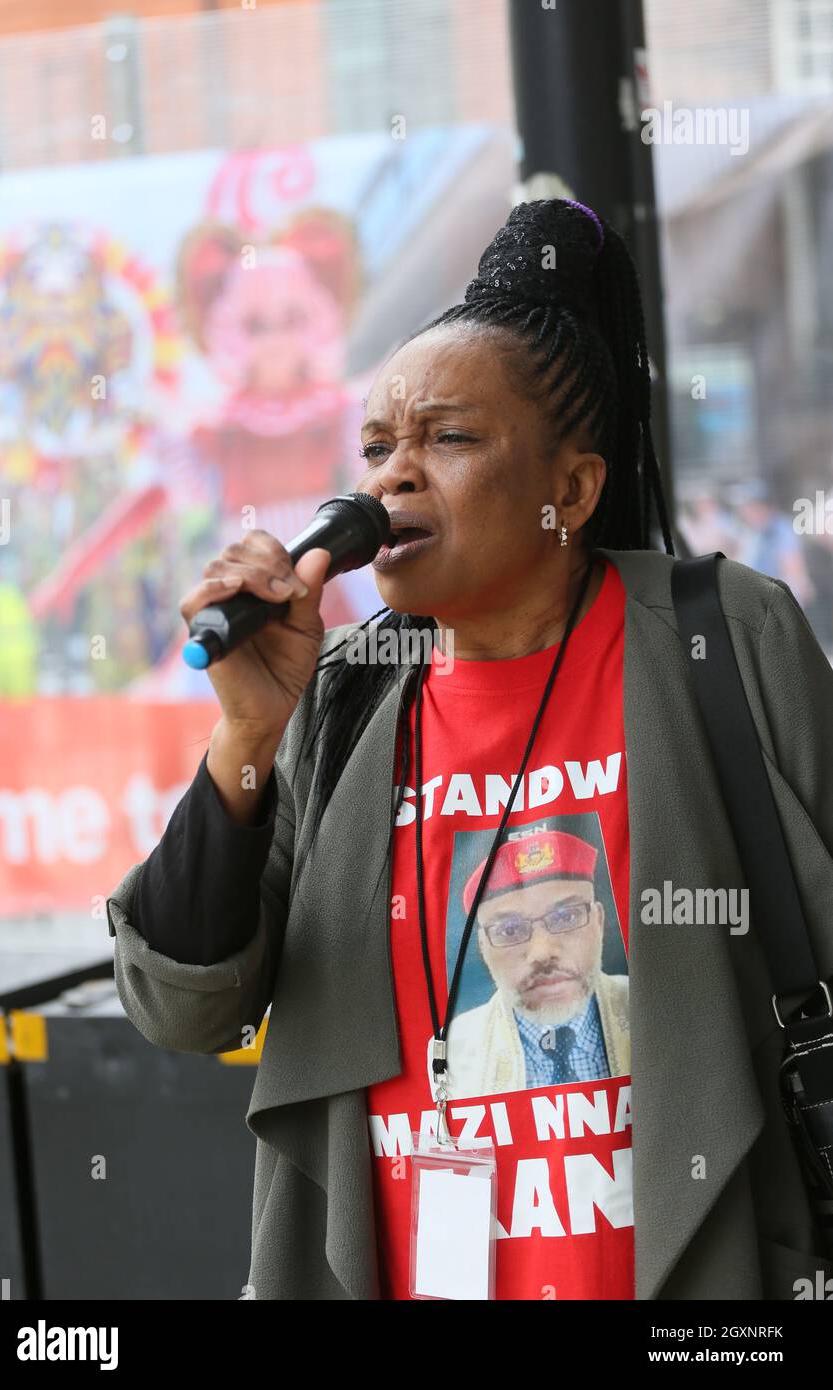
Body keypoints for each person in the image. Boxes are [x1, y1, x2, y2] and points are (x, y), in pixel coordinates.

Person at [106, 198, 833, 1301]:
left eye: (446, 439)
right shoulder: (341, 693)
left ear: (571, 488)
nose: (391, 478)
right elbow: (183, 1006)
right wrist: (247, 732)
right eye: (376, 448)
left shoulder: (718, 636)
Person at [445, 826, 629, 1102]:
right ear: (482, 946)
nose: (542, 953)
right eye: (509, 930)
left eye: (567, 917)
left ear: (599, 923)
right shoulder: (456, 1048)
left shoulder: (653, 1008)